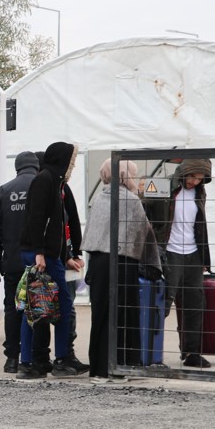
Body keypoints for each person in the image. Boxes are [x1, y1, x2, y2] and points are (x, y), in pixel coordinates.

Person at [82, 159, 162, 381]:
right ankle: (123, 365)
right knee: (125, 313)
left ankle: (99, 368)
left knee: (101, 315)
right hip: (123, 263)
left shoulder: (99, 198)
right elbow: (145, 234)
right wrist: (154, 264)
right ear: (126, 176)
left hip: (99, 263)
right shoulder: (132, 200)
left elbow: (93, 234)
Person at [17, 141, 88, 379]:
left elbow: (63, 222)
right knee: (47, 306)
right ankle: (54, 359)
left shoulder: (55, 182)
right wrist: (40, 251)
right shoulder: (46, 180)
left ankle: (35, 360)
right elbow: (36, 218)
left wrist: (68, 254)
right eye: (71, 160)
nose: (73, 165)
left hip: (47, 254)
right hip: (42, 255)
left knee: (37, 306)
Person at [0, 151, 40, 373]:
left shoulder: (4, 191)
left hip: (12, 263)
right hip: (39, 262)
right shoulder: (43, 187)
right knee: (38, 308)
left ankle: (11, 358)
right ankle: (35, 356)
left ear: (17, 167)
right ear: (36, 166)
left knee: (13, 308)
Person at [159, 158, 213, 368]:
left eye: (200, 179)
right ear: (183, 172)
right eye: (192, 176)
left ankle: (192, 353)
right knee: (163, 303)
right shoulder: (167, 188)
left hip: (193, 254)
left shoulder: (199, 192)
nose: (194, 182)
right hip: (170, 252)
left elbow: (200, 225)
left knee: (195, 304)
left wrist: (204, 259)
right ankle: (148, 350)